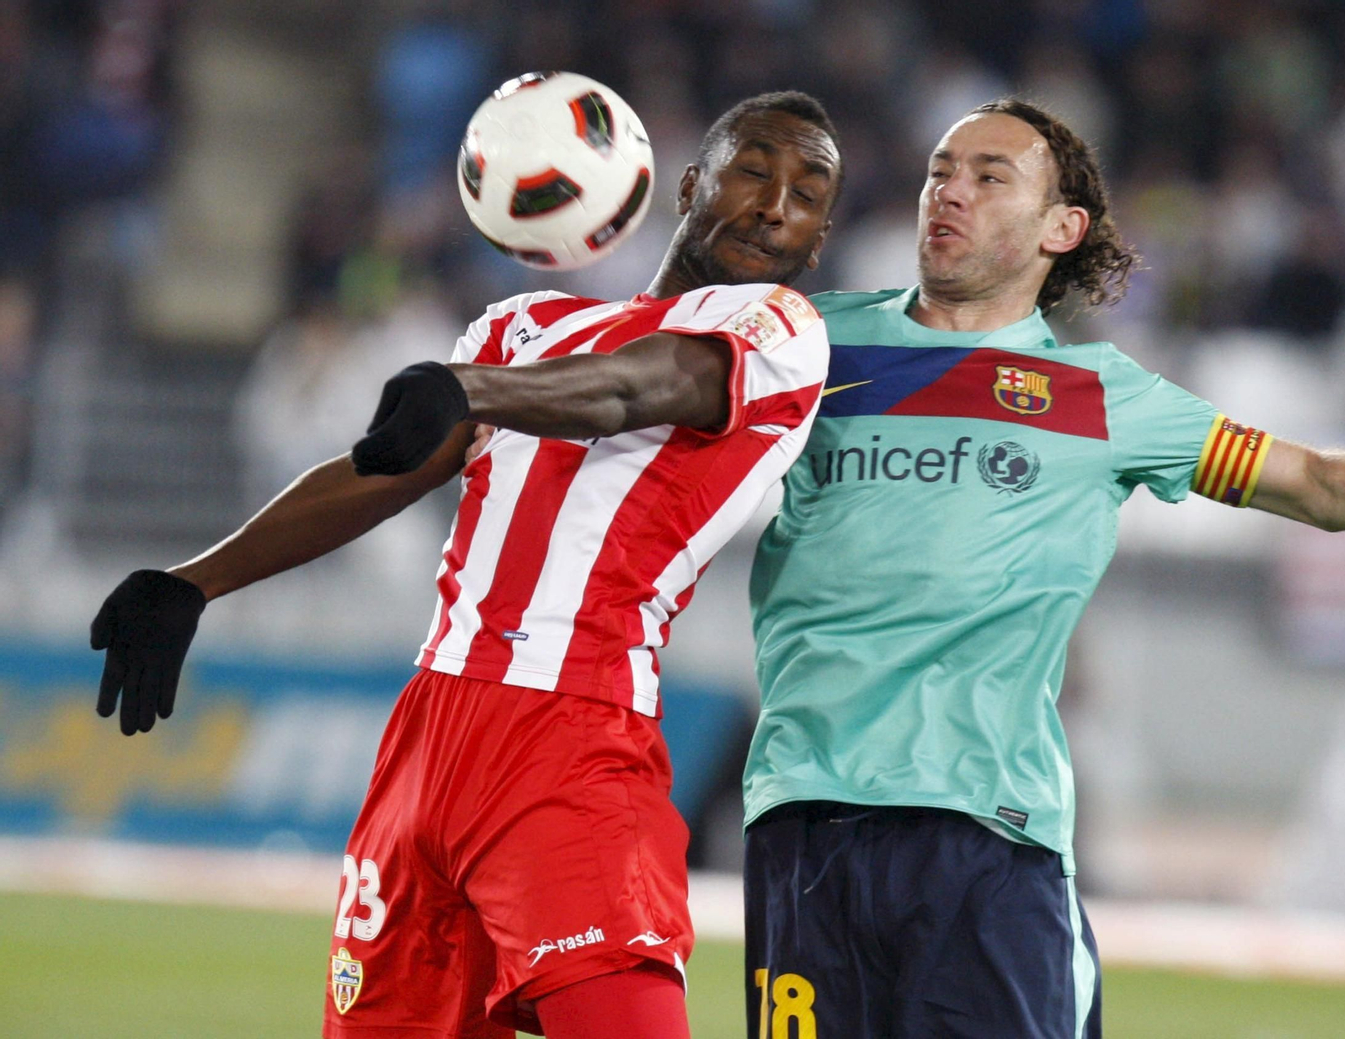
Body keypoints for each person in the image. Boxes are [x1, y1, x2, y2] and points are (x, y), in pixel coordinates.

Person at [734, 99, 1345, 1039]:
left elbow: (1305, 479)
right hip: (804, 816)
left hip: (984, 831)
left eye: (989, 176)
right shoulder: (812, 343)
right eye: (941, 171)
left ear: (1062, 228)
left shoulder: (1101, 398)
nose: (950, 192)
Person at [88, 90, 842, 1039]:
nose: (774, 205)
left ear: (819, 241)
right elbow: (383, 470)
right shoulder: (522, 325)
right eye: (754, 172)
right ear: (690, 185)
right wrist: (196, 580)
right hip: (427, 735)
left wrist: (469, 388)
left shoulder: (780, 332)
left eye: (807, 195)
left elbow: (639, 388)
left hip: (572, 729)